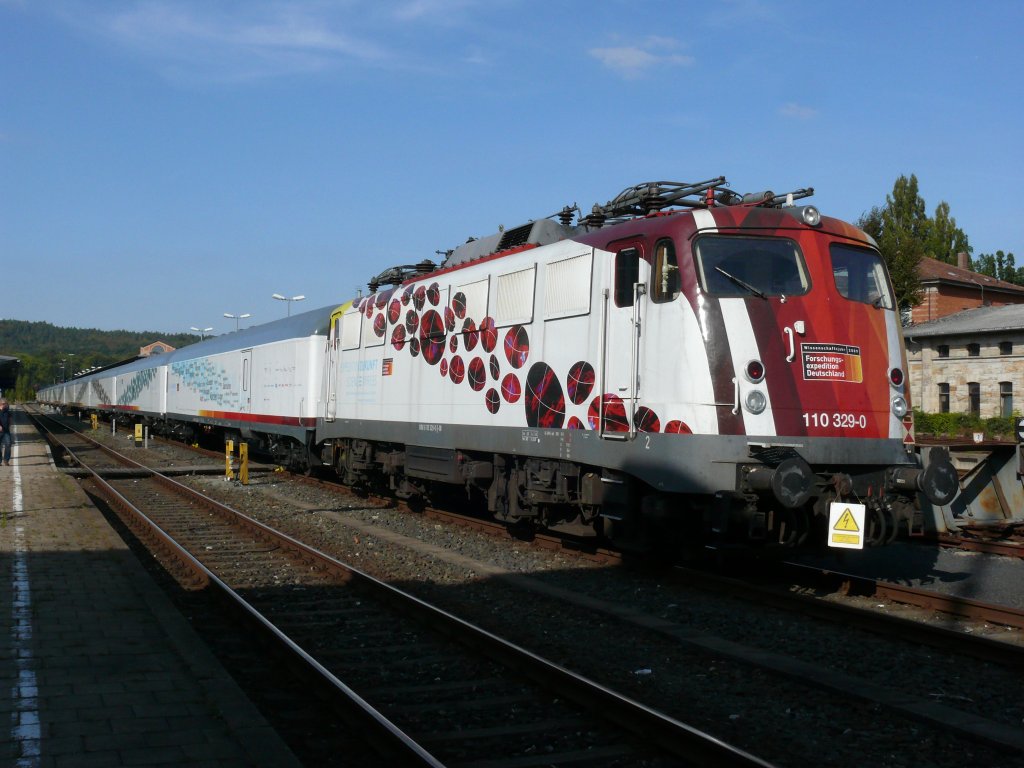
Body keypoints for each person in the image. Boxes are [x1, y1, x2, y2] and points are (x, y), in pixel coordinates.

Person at [0, 398, 12, 466]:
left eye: (7, 404)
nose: (6, 405)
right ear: (1, 404)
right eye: (5, 404)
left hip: (6, 431)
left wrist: (9, 425)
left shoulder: (8, 411)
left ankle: (6, 460)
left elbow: (10, 419)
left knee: (8, 444)